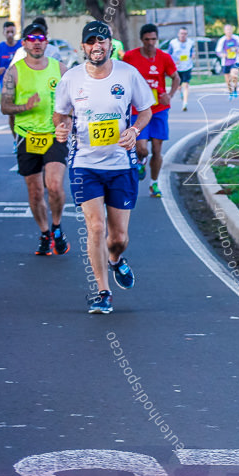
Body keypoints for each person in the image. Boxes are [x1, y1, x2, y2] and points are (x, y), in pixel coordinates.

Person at [54, 21, 153, 315]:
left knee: (118, 238)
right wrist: (61, 130)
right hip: (85, 164)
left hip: (121, 164)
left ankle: (115, 260)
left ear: (110, 44)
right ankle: (102, 291)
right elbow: (61, 116)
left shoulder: (128, 74)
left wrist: (134, 131)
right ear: (83, 47)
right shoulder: (71, 79)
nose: (97, 46)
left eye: (102, 40)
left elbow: (146, 109)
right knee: (96, 227)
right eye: (91, 41)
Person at [0, 22, 70, 256]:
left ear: (46, 42)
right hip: (26, 136)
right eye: (32, 38)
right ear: (25, 43)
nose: (37, 42)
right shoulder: (14, 71)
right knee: (35, 192)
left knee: (55, 186)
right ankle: (44, 233)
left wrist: (69, 119)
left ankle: (57, 226)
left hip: (53, 135)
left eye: (41, 38)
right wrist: (24, 106)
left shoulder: (60, 68)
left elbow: (75, 100)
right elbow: (4, 106)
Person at [122, 23, 180, 198]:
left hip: (159, 109)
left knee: (156, 149)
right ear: (141, 39)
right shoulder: (130, 57)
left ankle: (154, 184)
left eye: (153, 39)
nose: (150, 43)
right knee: (141, 148)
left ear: (157, 39)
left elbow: (176, 77)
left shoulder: (164, 57)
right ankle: (140, 160)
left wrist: (169, 95)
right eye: (147, 39)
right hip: (137, 109)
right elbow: (121, 78)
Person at [0, 21, 22, 121]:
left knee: (22, 111)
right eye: (7, 32)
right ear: (3, 33)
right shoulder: (0, 47)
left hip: (21, 83)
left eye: (12, 32)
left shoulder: (21, 45)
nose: (10, 34)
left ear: (15, 32)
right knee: (11, 113)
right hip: (6, 85)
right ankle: (15, 134)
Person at [168, 26, 195, 111]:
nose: (183, 35)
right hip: (176, 68)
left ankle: (185, 103)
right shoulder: (173, 43)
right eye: (181, 33)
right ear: (178, 34)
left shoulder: (190, 42)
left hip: (187, 67)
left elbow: (192, 52)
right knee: (179, 86)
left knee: (186, 85)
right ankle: (181, 93)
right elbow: (169, 55)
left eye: (185, 34)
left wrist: (192, 55)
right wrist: (173, 61)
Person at [215, 24, 239, 99]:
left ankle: (235, 89)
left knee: (234, 74)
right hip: (225, 62)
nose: (229, 31)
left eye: (230, 29)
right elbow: (217, 51)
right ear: (224, 31)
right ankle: (230, 92)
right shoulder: (222, 40)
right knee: (228, 80)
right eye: (227, 30)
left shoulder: (236, 38)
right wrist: (222, 54)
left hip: (235, 60)